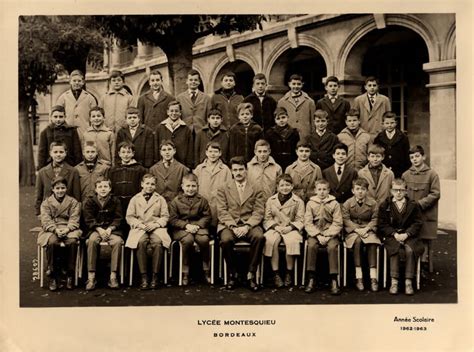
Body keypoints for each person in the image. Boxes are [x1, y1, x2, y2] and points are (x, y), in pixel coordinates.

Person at [216, 156, 266, 291]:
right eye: (235, 170)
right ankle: (233, 274)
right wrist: (232, 226)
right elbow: (222, 211)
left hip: (249, 224)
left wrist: (248, 226)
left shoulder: (256, 187)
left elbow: (259, 211)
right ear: (231, 171)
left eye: (241, 169)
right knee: (225, 240)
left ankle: (251, 274)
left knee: (259, 237)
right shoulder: (223, 188)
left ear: (246, 170)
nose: (238, 173)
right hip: (229, 224)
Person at [126, 174, 171, 290]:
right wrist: (140, 224)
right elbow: (129, 217)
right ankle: (144, 276)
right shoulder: (135, 199)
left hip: (156, 228)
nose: (149, 186)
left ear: (155, 186)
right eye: (147, 183)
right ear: (142, 184)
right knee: (140, 243)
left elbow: (165, 216)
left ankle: (155, 276)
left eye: (152, 184)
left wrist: (156, 224)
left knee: (158, 243)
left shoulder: (160, 199)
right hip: (140, 228)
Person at [378, 179, 423, 295]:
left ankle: (408, 281)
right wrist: (394, 234)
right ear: (391, 191)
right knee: (395, 250)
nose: (398, 193)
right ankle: (394, 281)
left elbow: (417, 223)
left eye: (401, 190)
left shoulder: (413, 205)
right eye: (395, 190)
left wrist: (407, 234)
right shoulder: (385, 205)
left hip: (409, 235)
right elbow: (382, 224)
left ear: (406, 191)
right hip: (392, 236)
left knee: (410, 250)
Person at [38, 176, 82, 291]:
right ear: (53, 189)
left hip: (69, 229)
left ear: (66, 188)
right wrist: (55, 229)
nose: (60, 190)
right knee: (52, 243)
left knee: (72, 242)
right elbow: (46, 220)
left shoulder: (73, 202)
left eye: (62, 188)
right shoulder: (46, 203)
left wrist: (67, 229)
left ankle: (70, 275)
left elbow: (74, 218)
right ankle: (53, 275)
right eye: (57, 188)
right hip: (52, 229)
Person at [402, 145, 440, 274]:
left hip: (426, 213)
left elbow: (435, 194)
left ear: (424, 157)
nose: (415, 159)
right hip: (410, 214)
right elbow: (402, 193)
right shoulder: (406, 175)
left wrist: (420, 204)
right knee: (411, 236)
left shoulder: (432, 174)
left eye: (417, 156)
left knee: (423, 238)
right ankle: (411, 263)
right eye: (412, 157)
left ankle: (423, 263)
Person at [168, 173, 212, 285]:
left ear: (197, 186)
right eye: (187, 186)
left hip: (199, 228)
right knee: (187, 241)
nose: (190, 189)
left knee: (204, 240)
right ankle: (185, 272)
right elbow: (173, 219)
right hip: (181, 229)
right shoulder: (176, 201)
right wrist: (186, 226)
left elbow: (207, 216)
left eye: (193, 186)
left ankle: (206, 269)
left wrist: (197, 225)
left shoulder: (202, 200)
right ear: (182, 186)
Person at [263, 174, 304, 288]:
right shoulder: (271, 200)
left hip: (290, 228)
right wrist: (275, 226)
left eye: (287, 185)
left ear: (292, 186)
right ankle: (275, 274)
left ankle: (289, 273)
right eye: (282, 185)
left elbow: (301, 219)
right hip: (275, 228)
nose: (284, 188)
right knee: (271, 241)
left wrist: (290, 227)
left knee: (291, 241)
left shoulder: (298, 201)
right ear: (277, 187)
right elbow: (267, 218)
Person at [82, 177, 124, 291]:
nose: (103, 189)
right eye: (100, 187)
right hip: (96, 230)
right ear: (95, 189)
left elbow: (118, 218)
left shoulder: (115, 200)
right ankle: (91, 277)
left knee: (118, 242)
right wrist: (99, 229)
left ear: (110, 188)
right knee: (91, 241)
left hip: (112, 230)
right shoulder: (90, 201)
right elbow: (88, 218)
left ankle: (113, 276)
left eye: (105, 186)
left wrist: (110, 229)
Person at [304, 179, 343, 295]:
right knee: (311, 246)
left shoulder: (334, 203)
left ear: (328, 190)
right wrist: (317, 235)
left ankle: (333, 279)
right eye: (319, 189)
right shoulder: (310, 203)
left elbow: (338, 222)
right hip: (315, 233)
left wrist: (327, 234)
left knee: (332, 248)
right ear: (315, 190)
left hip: (330, 233)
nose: (322, 192)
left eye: (324, 189)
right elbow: (308, 223)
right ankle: (311, 278)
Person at [342, 178, 381, 292]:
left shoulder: (373, 203)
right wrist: (357, 230)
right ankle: (359, 277)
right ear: (353, 190)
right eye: (357, 189)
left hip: (368, 230)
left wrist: (367, 228)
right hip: (353, 232)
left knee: (372, 243)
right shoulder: (348, 203)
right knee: (357, 242)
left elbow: (375, 218)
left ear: (367, 191)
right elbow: (346, 219)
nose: (360, 192)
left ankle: (373, 277)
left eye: (363, 189)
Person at [35, 141, 81, 215]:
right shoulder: (42, 172)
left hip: (67, 212)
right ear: (50, 153)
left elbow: (77, 196)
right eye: (55, 152)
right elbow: (38, 196)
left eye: (61, 152)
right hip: (48, 212)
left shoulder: (73, 171)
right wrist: (39, 214)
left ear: (65, 153)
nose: (58, 154)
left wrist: (75, 213)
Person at [193, 142, 232, 228]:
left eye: (215, 152)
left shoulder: (225, 169)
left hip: (218, 204)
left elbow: (230, 189)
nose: (213, 154)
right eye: (210, 151)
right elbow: (193, 186)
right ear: (206, 153)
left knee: (217, 227)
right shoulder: (199, 168)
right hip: (202, 204)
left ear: (220, 153)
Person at [108, 141, 147, 219]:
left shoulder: (140, 169)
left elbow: (142, 187)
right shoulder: (113, 170)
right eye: (123, 152)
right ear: (119, 153)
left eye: (128, 152)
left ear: (133, 153)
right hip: (117, 202)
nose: (126, 154)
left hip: (135, 202)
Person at [37, 105, 82, 170]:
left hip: (69, 165)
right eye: (55, 117)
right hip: (51, 166)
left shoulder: (72, 131)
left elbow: (77, 152)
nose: (58, 119)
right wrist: (41, 169)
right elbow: (41, 153)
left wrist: (77, 168)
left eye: (61, 117)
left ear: (65, 117)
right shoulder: (45, 132)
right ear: (51, 117)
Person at [56, 69, 98, 138]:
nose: (77, 83)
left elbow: (95, 116)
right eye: (74, 81)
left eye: (79, 81)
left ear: (83, 82)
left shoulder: (90, 98)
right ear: (70, 82)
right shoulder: (63, 97)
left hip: (85, 131)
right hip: (67, 132)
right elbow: (57, 114)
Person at [156, 101, 193, 168]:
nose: (174, 113)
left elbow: (190, 149)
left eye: (176, 111)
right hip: (163, 164)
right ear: (167, 112)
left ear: (180, 113)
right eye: (171, 111)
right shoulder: (160, 127)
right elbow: (156, 146)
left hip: (181, 163)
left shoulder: (186, 129)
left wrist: (189, 166)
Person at [277, 74, 316, 139]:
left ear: (302, 84)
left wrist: (313, 136)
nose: (296, 86)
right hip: (288, 137)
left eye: (298, 84)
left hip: (305, 136)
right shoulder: (282, 102)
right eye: (294, 84)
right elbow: (279, 121)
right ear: (289, 84)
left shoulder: (310, 102)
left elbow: (313, 122)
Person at [374, 111, 411, 178]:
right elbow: (376, 153)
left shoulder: (403, 137)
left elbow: (407, 156)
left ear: (396, 123)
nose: (389, 125)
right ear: (383, 124)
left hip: (399, 171)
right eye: (387, 123)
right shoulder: (378, 138)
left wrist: (405, 172)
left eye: (392, 123)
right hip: (383, 172)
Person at [176, 69, 212, 135]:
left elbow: (209, 116)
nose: (193, 82)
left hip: (202, 132)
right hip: (185, 132)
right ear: (186, 81)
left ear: (199, 82)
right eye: (191, 80)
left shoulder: (206, 98)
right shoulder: (179, 98)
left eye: (195, 80)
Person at [264, 107, 300, 171]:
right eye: (278, 118)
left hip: (291, 163)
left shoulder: (294, 133)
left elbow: (296, 149)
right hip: (275, 163)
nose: (281, 120)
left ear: (287, 117)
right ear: (275, 120)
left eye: (283, 117)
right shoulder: (270, 133)